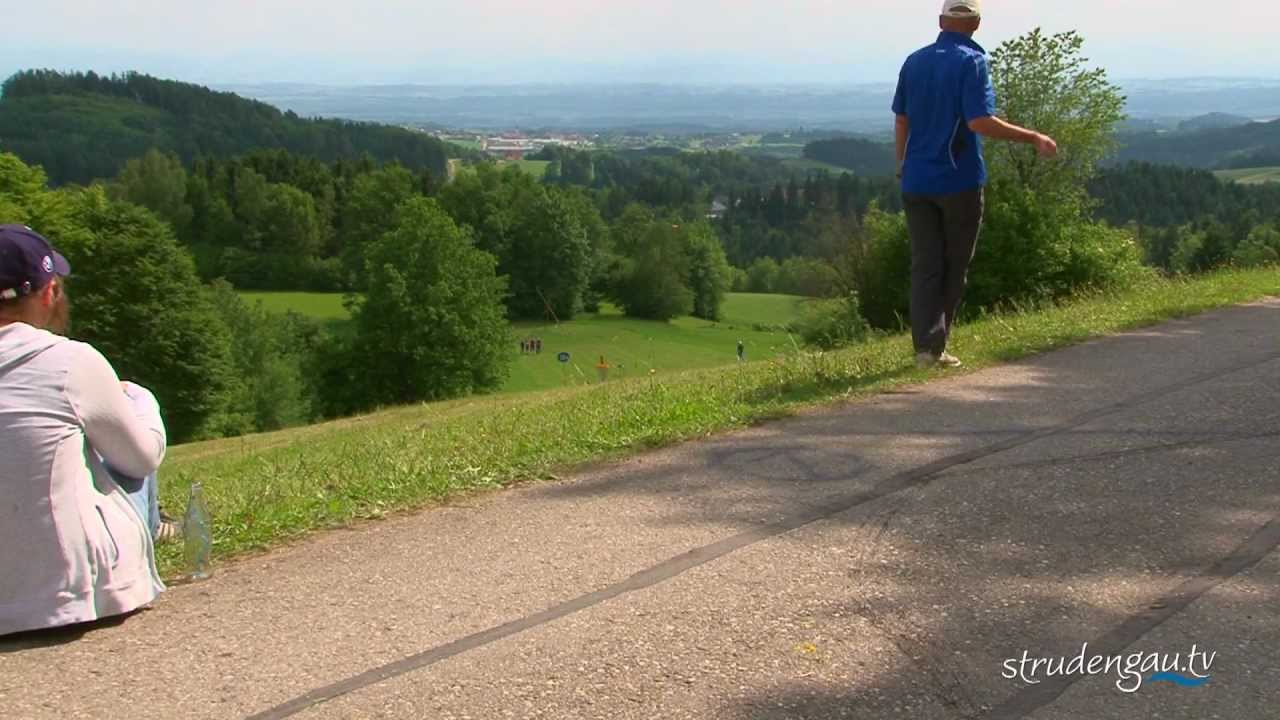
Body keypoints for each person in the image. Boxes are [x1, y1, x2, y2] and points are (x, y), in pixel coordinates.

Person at [0, 224, 169, 637]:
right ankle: (154, 529)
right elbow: (142, 459)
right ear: (49, 292)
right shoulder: (70, 361)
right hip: (66, 597)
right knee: (128, 440)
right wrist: (140, 399)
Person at [892, 0, 1058, 369]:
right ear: (977, 24)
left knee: (925, 265)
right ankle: (935, 348)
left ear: (941, 21)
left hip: (916, 180)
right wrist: (1033, 137)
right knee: (954, 265)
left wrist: (902, 164)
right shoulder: (973, 62)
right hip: (958, 180)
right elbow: (979, 122)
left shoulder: (914, 61)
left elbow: (902, 119)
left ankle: (925, 350)